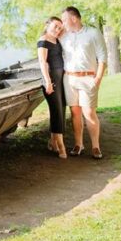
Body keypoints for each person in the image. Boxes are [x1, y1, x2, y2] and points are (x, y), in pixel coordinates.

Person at [60, 6, 107, 159]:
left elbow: (102, 58)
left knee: (89, 112)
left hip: (88, 78)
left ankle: (96, 146)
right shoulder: (63, 35)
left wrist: (98, 79)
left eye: (64, 19)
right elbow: (47, 37)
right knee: (75, 112)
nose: (62, 23)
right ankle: (78, 144)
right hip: (69, 78)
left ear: (74, 18)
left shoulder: (93, 33)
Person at [36, 16, 68, 159]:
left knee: (61, 110)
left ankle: (53, 142)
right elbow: (43, 62)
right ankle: (61, 147)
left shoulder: (57, 39)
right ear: (47, 24)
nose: (58, 29)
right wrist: (48, 81)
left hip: (61, 81)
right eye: (55, 26)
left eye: (60, 27)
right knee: (57, 112)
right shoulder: (43, 40)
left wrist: (64, 26)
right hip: (51, 81)